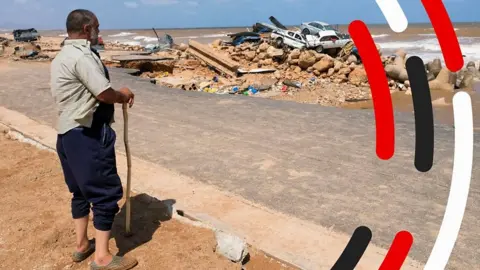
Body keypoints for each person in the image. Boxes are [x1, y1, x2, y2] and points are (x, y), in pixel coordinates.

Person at [50, 9, 137, 270]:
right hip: (87, 135)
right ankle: (102, 257)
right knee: (104, 192)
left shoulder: (62, 55)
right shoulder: (82, 56)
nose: (100, 31)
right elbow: (103, 94)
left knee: (80, 191)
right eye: (97, 27)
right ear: (87, 29)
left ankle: (81, 246)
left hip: (66, 134)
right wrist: (123, 94)